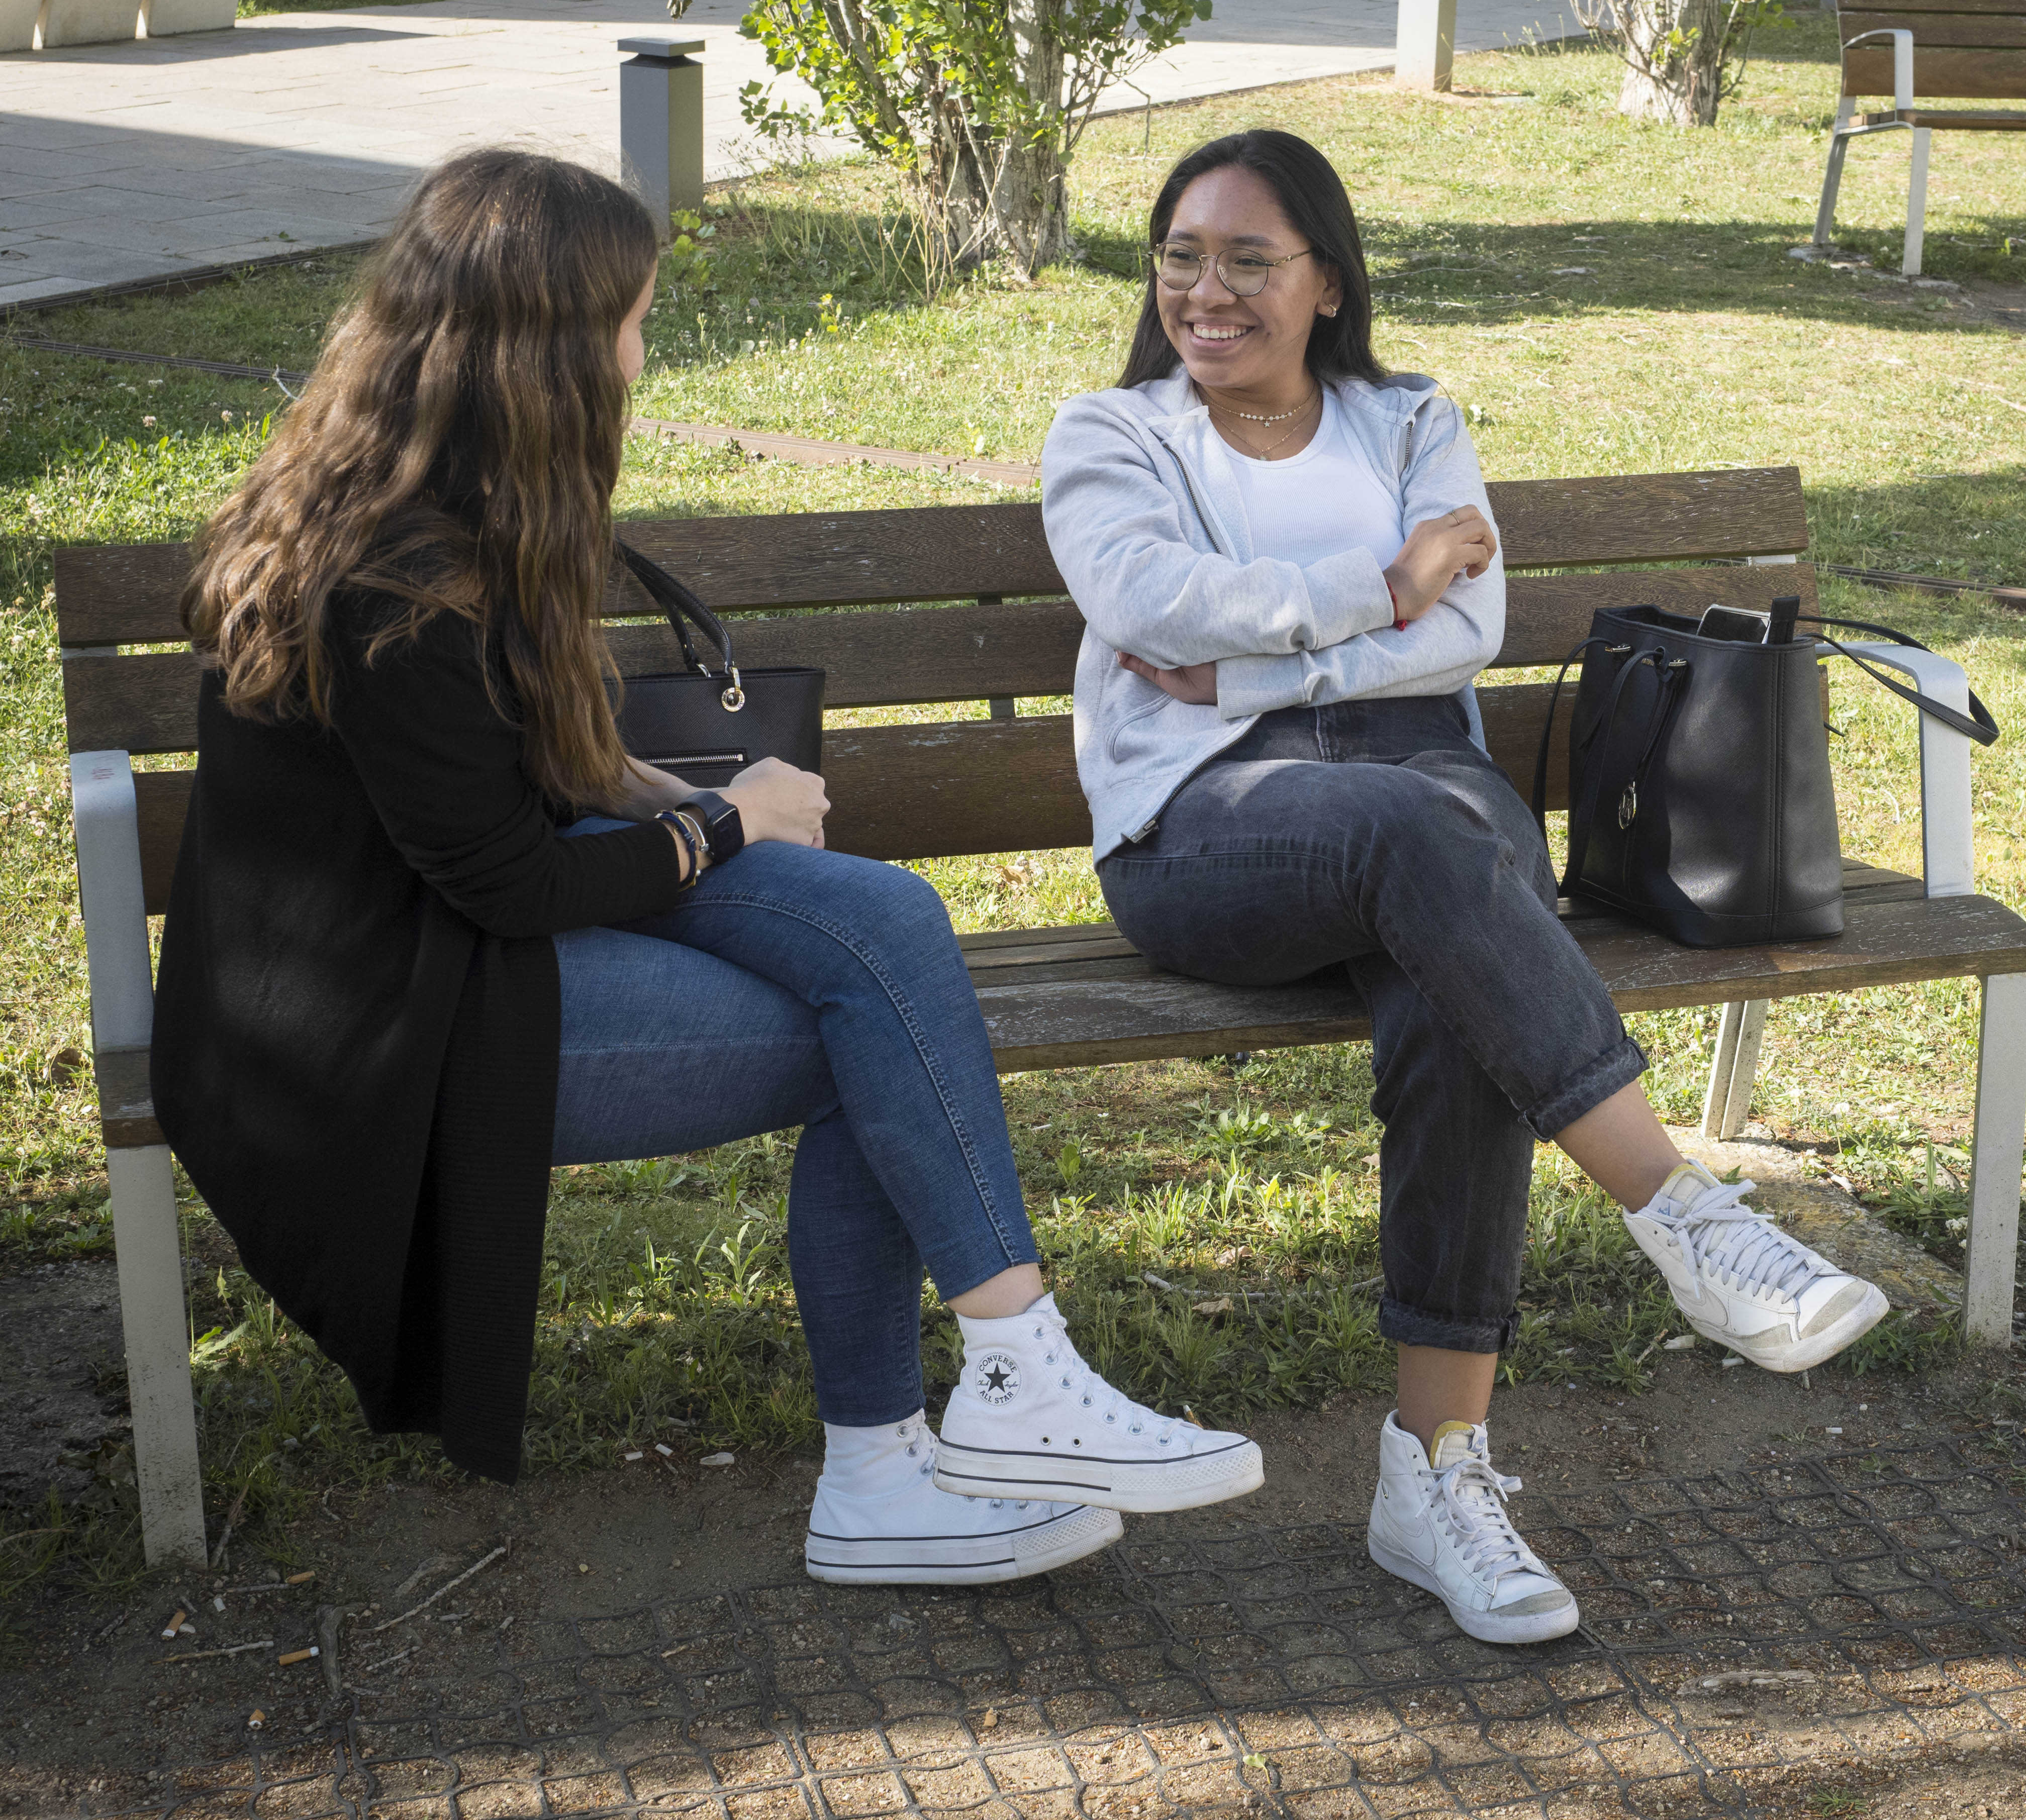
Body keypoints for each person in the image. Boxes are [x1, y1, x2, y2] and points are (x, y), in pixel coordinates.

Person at [150, 148, 1261, 1590]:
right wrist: (722, 829)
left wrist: (702, 797)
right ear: (543, 347)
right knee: (880, 1028)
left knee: (885, 926)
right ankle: (922, 1440)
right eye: (631, 320)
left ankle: (991, 1386)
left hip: (477, 942)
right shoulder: (385, 581)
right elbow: (508, 884)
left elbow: (543, 759)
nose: (638, 350)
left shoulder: (467, 499)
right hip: (392, 1026)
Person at [1040, 129, 1891, 1645]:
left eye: (1250, 259)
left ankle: (1439, 1477)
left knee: (1455, 970)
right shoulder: (1113, 435)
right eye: (1181, 254)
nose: (1207, 289)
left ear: (1325, 283)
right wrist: (1382, 586)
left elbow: (1469, 627)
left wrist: (1260, 649)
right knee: (1424, 842)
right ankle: (1685, 1215)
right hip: (1205, 831)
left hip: (1417, 800)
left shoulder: (1409, 419)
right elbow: (1145, 600)